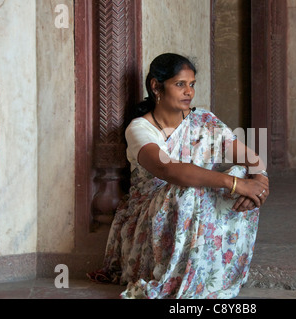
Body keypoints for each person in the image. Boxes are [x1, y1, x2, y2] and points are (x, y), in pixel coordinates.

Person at [88, 53, 270, 299]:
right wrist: (236, 184)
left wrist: (260, 181)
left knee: (242, 171)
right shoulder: (140, 129)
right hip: (150, 215)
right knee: (190, 186)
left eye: (192, 84)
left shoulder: (203, 120)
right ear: (156, 86)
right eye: (180, 84)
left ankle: (216, 270)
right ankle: (179, 274)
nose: (189, 92)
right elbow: (169, 170)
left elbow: (251, 158)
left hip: (190, 200)